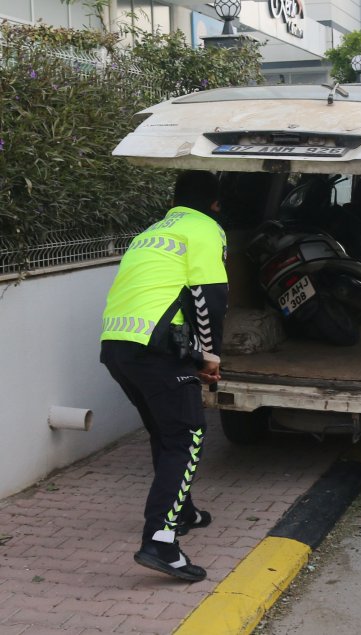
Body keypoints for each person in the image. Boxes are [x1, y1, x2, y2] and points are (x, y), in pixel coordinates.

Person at [100, 170, 229, 582]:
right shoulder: (206, 228)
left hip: (118, 345)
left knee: (165, 431)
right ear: (215, 203)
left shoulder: (152, 231)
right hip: (157, 349)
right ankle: (160, 540)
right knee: (188, 434)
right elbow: (208, 295)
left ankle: (184, 511)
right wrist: (209, 356)